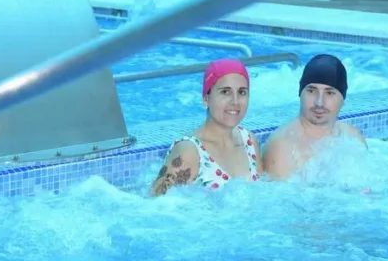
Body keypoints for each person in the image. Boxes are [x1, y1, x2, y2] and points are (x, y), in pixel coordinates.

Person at [150, 58, 262, 196]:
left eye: (242, 92)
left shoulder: (249, 141)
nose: (235, 101)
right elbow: (157, 205)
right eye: (225, 92)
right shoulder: (189, 151)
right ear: (206, 99)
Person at [262, 54, 366, 181]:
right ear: (300, 94)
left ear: (342, 100)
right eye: (311, 91)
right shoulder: (282, 147)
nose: (319, 103)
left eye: (329, 93)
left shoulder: (352, 137)